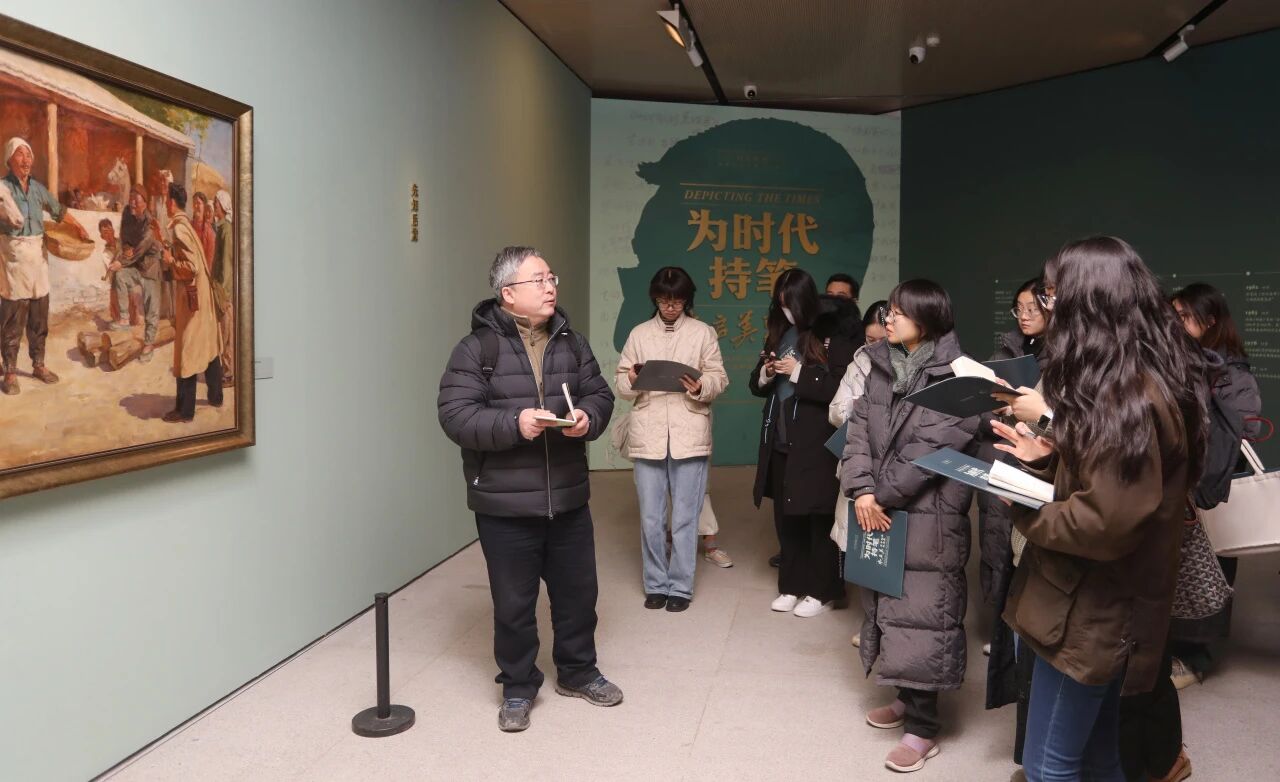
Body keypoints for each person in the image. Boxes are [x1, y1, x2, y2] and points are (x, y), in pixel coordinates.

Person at [994, 236, 1206, 782]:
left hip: (1091, 608)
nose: (1047, 307)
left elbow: (1103, 522)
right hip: (1106, 603)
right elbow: (1106, 479)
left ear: (1088, 302)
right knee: (1097, 756)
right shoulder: (1135, 379)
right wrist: (1048, 459)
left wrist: (1025, 507)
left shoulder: (1123, 396)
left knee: (1049, 766)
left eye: (1052, 294)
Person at [437, 245, 620, 733]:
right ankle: (518, 686)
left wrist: (587, 418)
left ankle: (579, 672)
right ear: (508, 293)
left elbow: (600, 394)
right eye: (538, 280)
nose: (550, 287)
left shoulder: (571, 342)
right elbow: (455, 416)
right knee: (514, 604)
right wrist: (514, 424)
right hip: (505, 502)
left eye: (551, 278)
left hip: (567, 495)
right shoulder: (476, 349)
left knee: (578, 594)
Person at [841, 280, 978, 773]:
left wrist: (880, 495)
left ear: (928, 318)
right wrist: (861, 490)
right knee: (888, 604)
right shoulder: (881, 363)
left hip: (930, 514)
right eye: (889, 311)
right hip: (879, 505)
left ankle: (923, 727)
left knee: (924, 612)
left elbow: (933, 447)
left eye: (898, 312)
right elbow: (858, 429)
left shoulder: (959, 375)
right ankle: (904, 696)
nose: (889, 318)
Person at [615, 267, 728, 612]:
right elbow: (621, 385)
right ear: (655, 298)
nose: (670, 307)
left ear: (686, 300)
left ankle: (680, 586)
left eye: (677, 301)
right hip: (648, 433)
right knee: (651, 517)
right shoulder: (639, 334)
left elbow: (719, 377)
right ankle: (655, 583)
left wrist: (701, 385)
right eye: (664, 300)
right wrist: (632, 378)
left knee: (685, 517)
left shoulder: (702, 333)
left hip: (689, 432)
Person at [749, 268, 854, 618]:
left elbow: (840, 388)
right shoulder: (780, 332)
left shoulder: (833, 333)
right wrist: (767, 372)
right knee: (787, 516)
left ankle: (823, 591)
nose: (786, 311)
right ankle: (791, 586)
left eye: (790, 305)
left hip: (816, 441)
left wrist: (796, 371)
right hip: (780, 438)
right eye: (780, 305)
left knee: (818, 516)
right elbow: (756, 382)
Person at [982, 278, 1052, 766]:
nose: (1025, 314)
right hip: (1015, 470)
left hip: (1048, 503)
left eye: (1037, 305)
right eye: (1019, 307)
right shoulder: (1008, 349)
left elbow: (1089, 451)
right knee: (1006, 567)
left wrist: (1041, 419)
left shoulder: (1081, 364)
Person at [0, 136, 90, 395]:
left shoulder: (38, 189)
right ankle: (10, 371)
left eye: (28, 154)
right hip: (13, 257)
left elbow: (58, 210)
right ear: (9, 159)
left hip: (38, 257)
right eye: (20, 154)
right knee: (13, 316)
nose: (26, 160)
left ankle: (38, 364)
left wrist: (78, 226)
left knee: (39, 312)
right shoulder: (2, 189)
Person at [828, 300, 887, 650]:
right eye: (869, 339)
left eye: (882, 339)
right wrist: (859, 408)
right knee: (865, 549)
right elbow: (835, 411)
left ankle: (887, 624)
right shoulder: (859, 362)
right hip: (859, 463)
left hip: (891, 469)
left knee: (890, 549)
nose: (874, 346)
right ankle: (871, 623)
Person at [160, 183, 223, 422]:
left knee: (187, 350)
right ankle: (216, 397)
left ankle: (185, 411)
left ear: (171, 202)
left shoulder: (179, 228)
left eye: (166, 199)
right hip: (201, 297)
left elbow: (190, 267)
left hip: (192, 299)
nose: (165, 203)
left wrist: (169, 260)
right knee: (208, 346)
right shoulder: (185, 225)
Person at [110, 188, 164, 363]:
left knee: (151, 308)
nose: (132, 203)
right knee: (120, 276)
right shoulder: (127, 213)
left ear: (145, 204)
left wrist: (122, 262)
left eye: (136, 200)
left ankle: (148, 344)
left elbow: (141, 249)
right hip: (136, 265)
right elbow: (124, 236)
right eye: (131, 199)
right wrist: (126, 247)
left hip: (150, 267)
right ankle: (124, 318)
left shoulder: (150, 223)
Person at [211, 189, 235, 387]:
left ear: (223, 206)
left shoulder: (226, 229)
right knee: (223, 333)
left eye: (216, 203)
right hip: (220, 290)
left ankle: (229, 374)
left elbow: (227, 265)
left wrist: (225, 296)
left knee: (227, 334)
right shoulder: (222, 228)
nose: (213, 206)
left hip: (224, 292)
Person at [191, 191, 216, 270]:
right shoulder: (189, 226)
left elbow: (210, 259)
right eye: (194, 203)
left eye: (198, 203)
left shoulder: (209, 231)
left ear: (204, 206)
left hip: (203, 271)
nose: (196, 206)